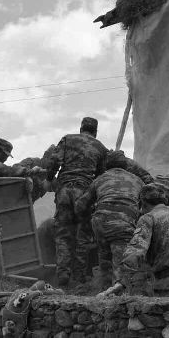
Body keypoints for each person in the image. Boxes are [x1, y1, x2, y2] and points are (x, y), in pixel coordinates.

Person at [74, 150, 153, 288]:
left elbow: (80, 206)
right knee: (120, 263)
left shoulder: (100, 179)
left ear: (107, 164)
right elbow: (146, 207)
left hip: (100, 223)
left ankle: (104, 291)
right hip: (123, 223)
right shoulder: (137, 180)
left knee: (104, 260)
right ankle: (118, 295)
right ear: (125, 165)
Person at [47, 116, 108, 285]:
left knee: (63, 233)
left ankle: (63, 274)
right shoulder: (100, 147)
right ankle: (79, 277)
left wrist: (49, 178)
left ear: (81, 129)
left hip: (64, 191)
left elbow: (54, 161)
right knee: (83, 236)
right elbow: (101, 175)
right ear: (95, 132)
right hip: (84, 194)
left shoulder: (68, 139)